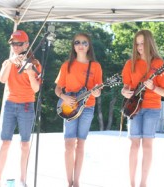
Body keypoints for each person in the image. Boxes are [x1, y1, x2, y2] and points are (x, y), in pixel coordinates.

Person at [121, 30, 164, 187]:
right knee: (134, 145)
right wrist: (124, 92)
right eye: (137, 44)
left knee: (147, 145)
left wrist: (153, 87)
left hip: (152, 108)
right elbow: (125, 88)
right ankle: (132, 183)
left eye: (143, 43)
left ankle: (143, 184)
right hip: (134, 108)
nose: (140, 47)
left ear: (149, 43)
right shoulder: (130, 64)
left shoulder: (159, 64)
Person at [54, 33, 102, 187]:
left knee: (80, 144)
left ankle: (77, 182)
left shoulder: (95, 66)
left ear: (89, 46)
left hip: (88, 107)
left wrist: (96, 92)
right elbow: (57, 88)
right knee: (69, 144)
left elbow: (99, 89)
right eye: (77, 42)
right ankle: (69, 182)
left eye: (84, 42)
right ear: (73, 46)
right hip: (69, 107)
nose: (81, 45)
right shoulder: (66, 65)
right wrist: (63, 96)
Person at [0, 30, 42, 187]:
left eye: (19, 44)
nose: (15, 47)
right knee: (5, 142)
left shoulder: (34, 64)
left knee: (24, 143)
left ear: (27, 45)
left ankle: (23, 180)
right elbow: (2, 79)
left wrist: (29, 72)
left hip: (27, 105)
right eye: (13, 44)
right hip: (10, 104)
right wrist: (10, 62)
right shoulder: (8, 62)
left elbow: (36, 89)